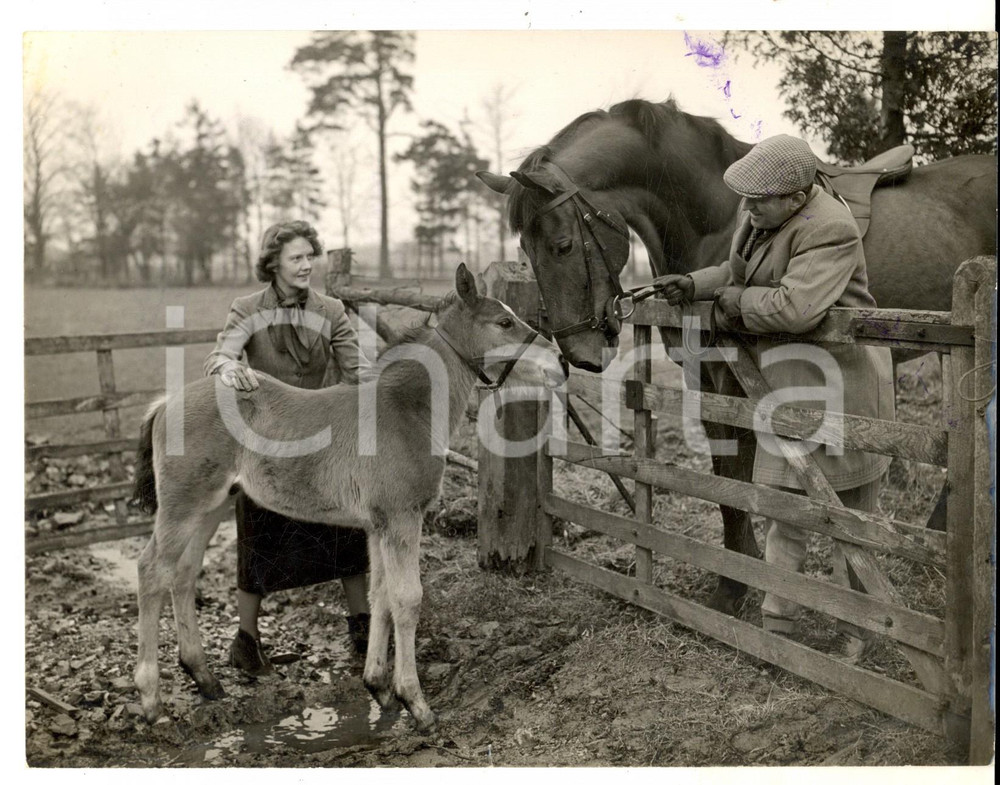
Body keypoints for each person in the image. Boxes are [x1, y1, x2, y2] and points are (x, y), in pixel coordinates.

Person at [659, 134, 895, 662]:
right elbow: (737, 275)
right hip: (789, 390)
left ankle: (856, 634)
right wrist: (694, 284)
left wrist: (730, 305)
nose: (747, 206)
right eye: (746, 197)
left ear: (796, 194)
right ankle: (777, 625)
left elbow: (796, 308)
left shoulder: (831, 228)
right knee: (782, 509)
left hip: (842, 392)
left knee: (847, 523)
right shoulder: (760, 218)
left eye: (759, 198)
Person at [205, 220, 373, 676]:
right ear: (273, 263)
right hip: (265, 445)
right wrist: (225, 369)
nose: (306, 265)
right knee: (258, 535)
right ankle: (247, 641)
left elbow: (357, 370)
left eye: (309, 256)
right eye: (296, 257)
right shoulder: (247, 308)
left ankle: (362, 626)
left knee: (347, 529)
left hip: (322, 441)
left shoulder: (332, 310)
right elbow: (220, 355)